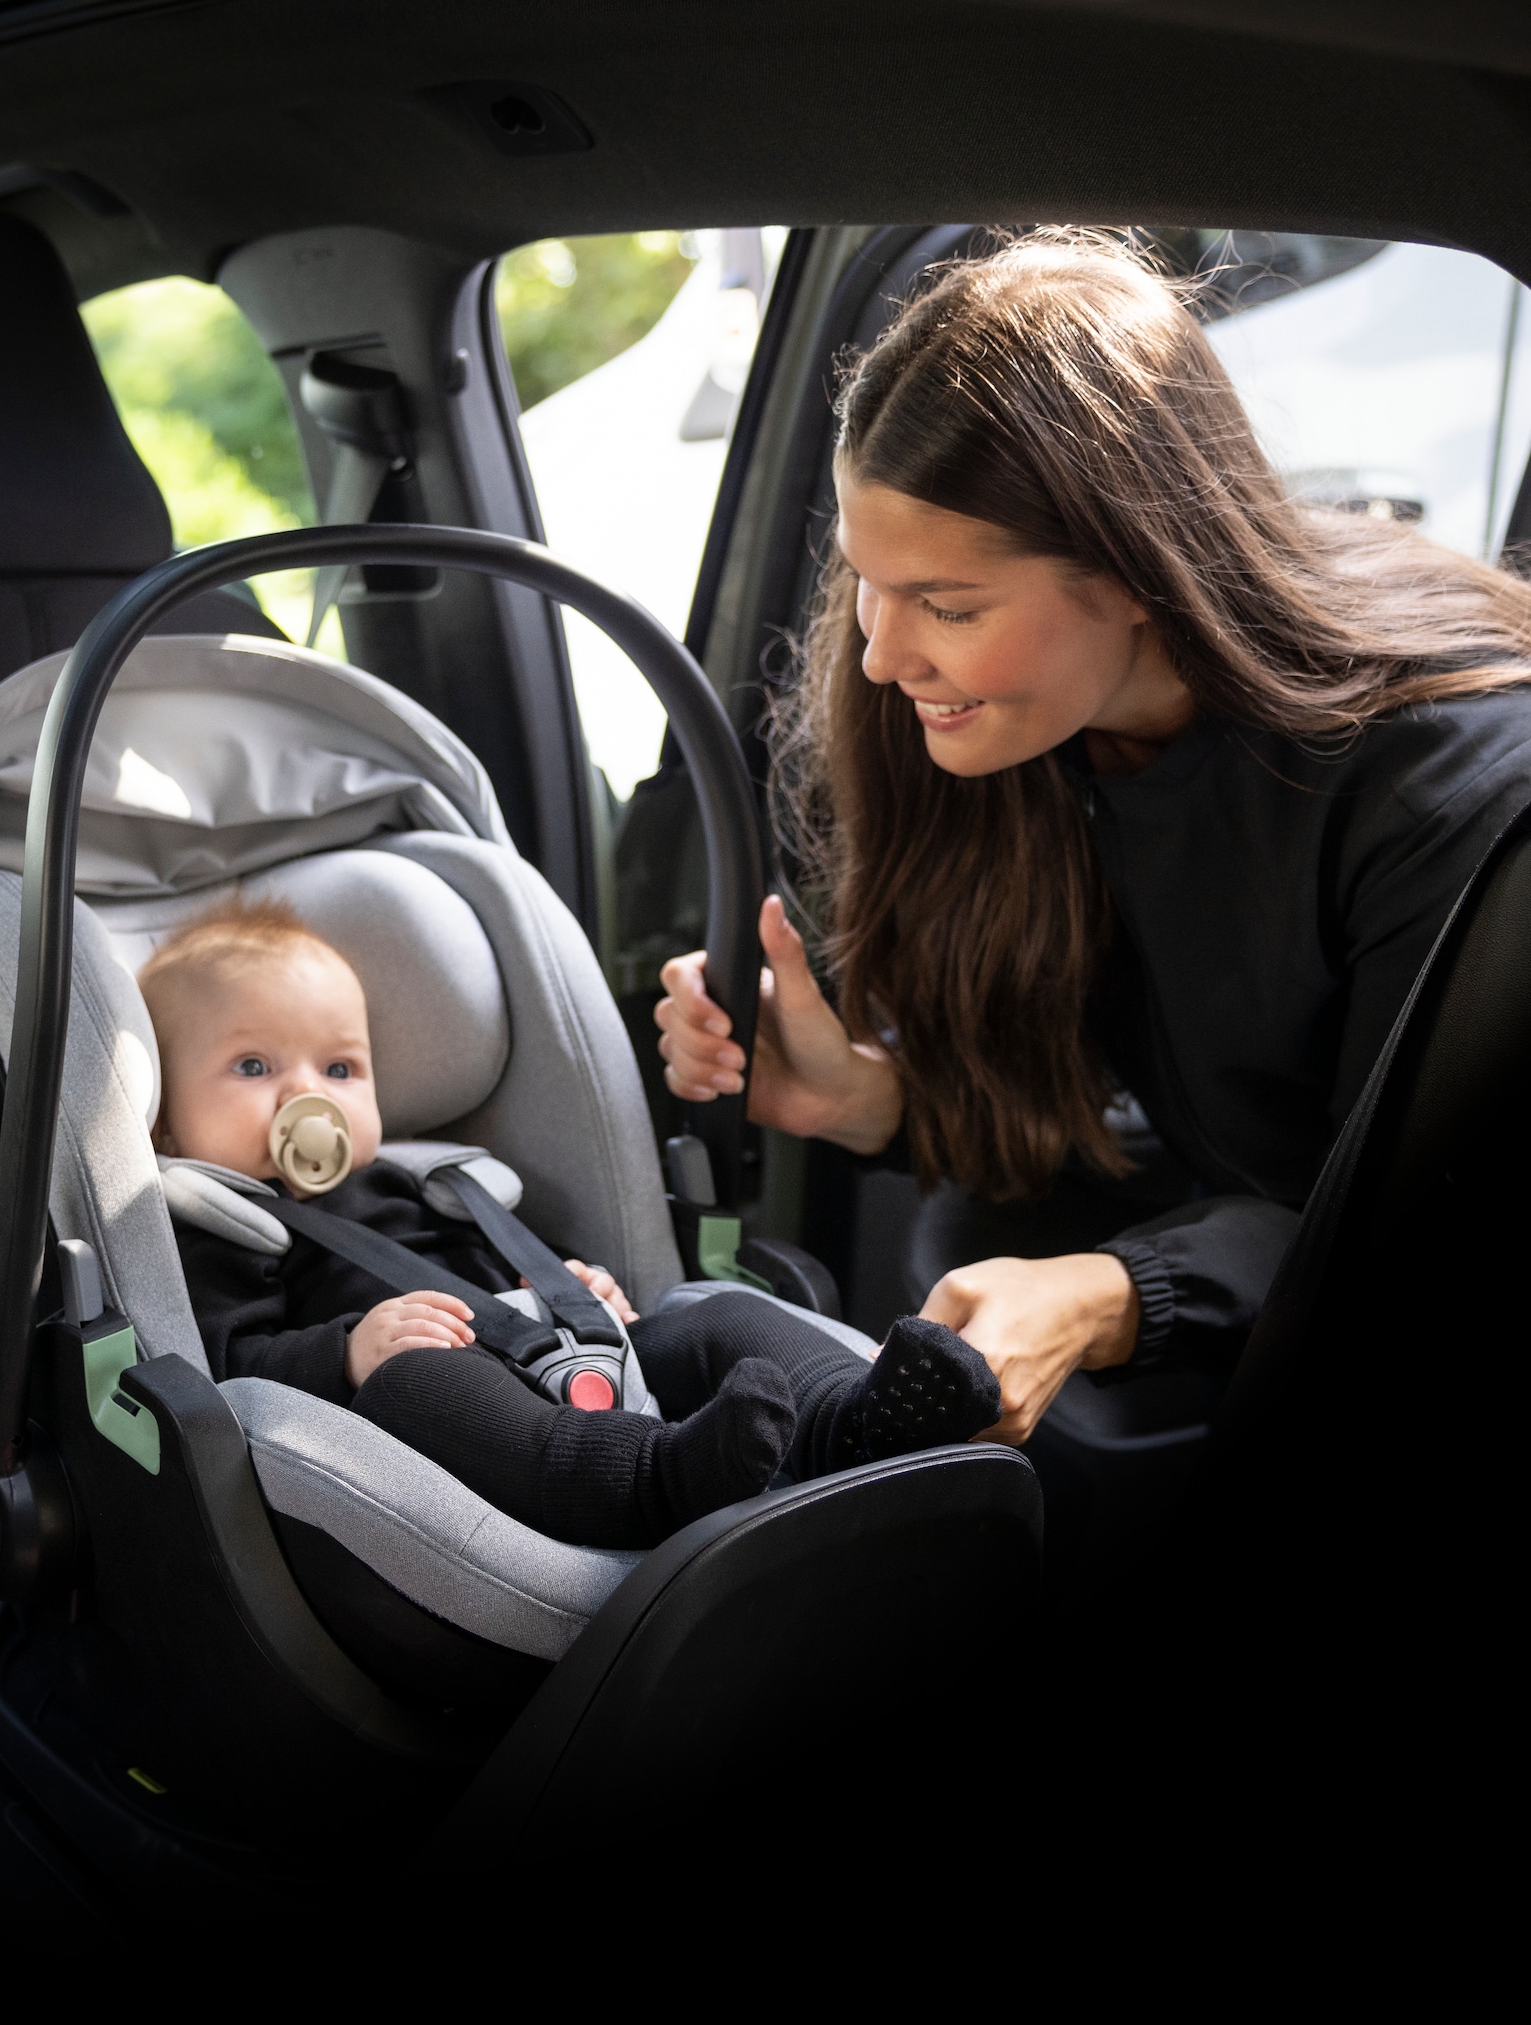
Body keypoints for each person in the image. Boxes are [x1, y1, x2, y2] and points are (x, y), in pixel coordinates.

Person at [657, 231, 1531, 1444]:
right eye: (866, 580)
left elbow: (1398, 1213)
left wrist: (1120, 1291)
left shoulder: (1447, 792)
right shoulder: (1031, 732)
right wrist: (865, 1100)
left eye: (948, 607)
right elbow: (1137, 1115)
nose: (879, 653)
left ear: (1132, 571)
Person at [137, 900, 1001, 1549]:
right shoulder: (221, 1227)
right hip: (428, 1405)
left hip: (556, 1347)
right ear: (166, 1124)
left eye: (340, 1066)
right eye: (254, 1066)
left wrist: (570, 1287)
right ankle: (651, 1478)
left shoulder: (430, 1182)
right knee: (417, 1385)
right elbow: (226, 1366)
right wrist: (347, 1354)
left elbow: (501, 1261)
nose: (306, 1094)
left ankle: (847, 1418)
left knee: (716, 1322)